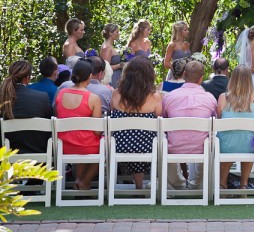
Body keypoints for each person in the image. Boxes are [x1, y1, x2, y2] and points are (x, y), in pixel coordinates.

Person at [163, 61, 217, 190]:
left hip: (173, 147)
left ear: (184, 74)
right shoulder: (210, 98)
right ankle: (197, 182)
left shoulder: (169, 97)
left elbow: (163, 120)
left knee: (164, 139)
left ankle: (178, 183)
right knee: (209, 139)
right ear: (201, 78)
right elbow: (215, 122)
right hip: (201, 148)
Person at [110, 56, 162, 190]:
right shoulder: (155, 97)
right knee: (148, 136)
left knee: (131, 137)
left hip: (119, 145)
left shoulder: (116, 94)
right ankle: (146, 185)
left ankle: (139, 186)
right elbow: (159, 117)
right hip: (147, 147)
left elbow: (111, 114)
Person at [54, 58, 102, 190]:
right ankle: (84, 182)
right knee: (106, 147)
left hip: (64, 144)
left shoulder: (61, 93)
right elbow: (97, 131)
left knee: (83, 139)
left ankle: (78, 180)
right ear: (90, 76)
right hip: (86, 145)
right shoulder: (93, 98)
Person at [217, 65, 254, 192]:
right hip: (250, 147)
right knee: (250, 138)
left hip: (226, 146)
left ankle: (222, 183)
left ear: (232, 79)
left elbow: (219, 118)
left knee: (229, 138)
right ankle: (244, 184)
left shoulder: (224, 98)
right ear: (250, 80)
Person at [0, 60, 53, 153]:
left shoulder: (3, 97)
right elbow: (50, 124)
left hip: (8, 154)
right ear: (27, 78)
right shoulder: (42, 97)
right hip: (39, 154)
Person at [100, 23, 124, 88]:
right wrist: (120, 65)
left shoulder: (110, 46)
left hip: (117, 75)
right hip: (112, 78)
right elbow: (106, 67)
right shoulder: (106, 48)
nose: (119, 33)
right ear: (110, 33)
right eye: (117, 32)